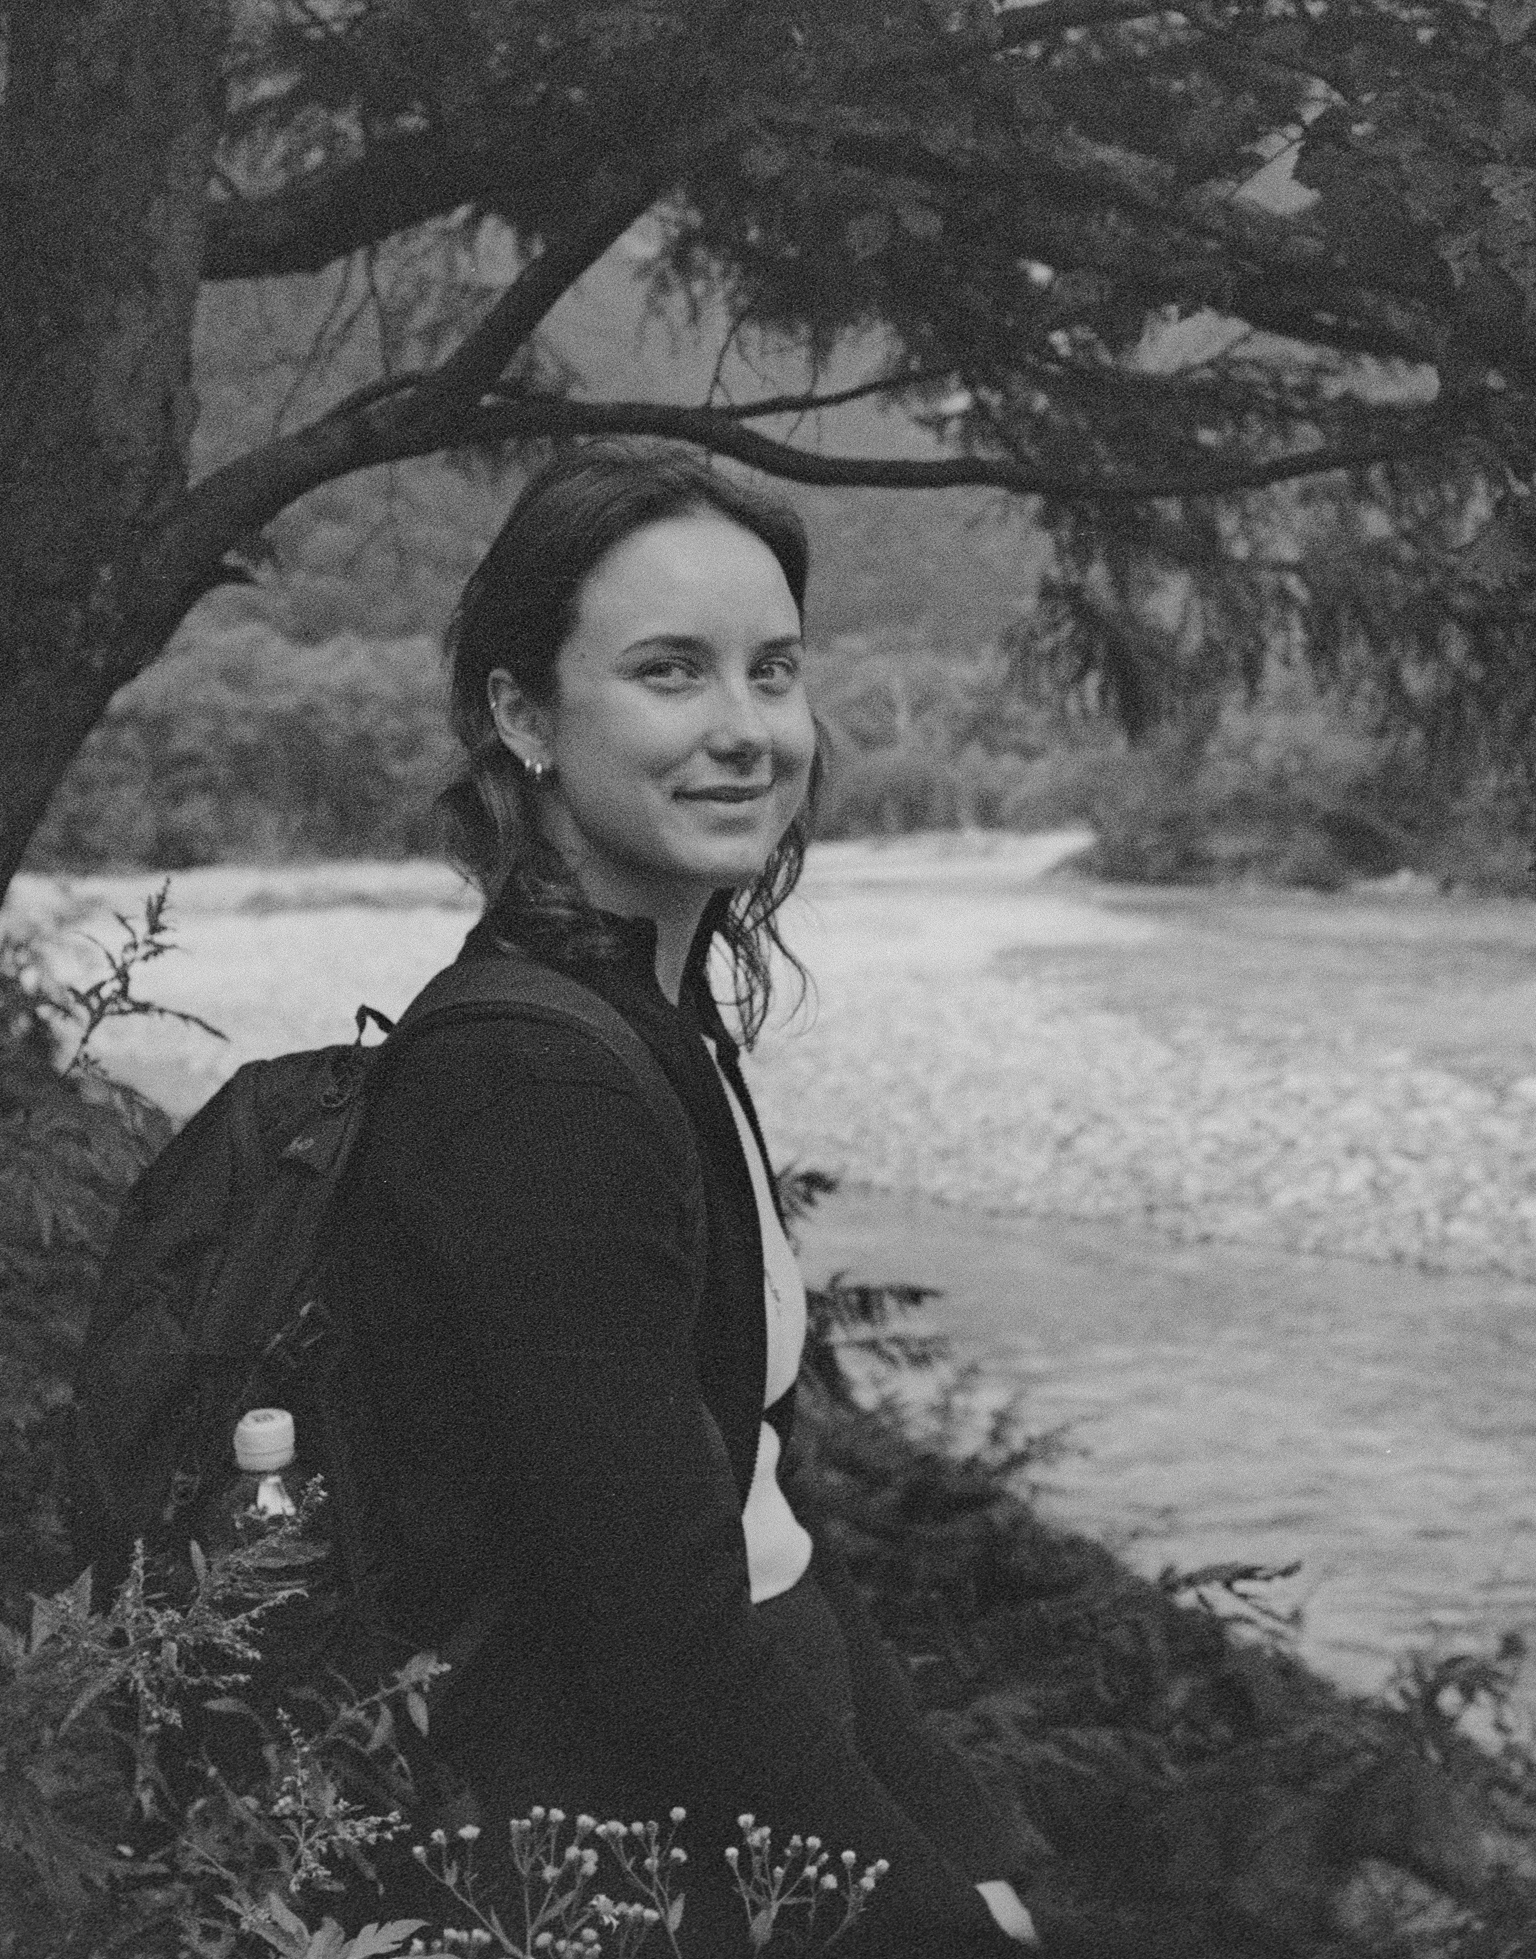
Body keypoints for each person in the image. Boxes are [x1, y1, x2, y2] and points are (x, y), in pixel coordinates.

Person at [318, 444, 1042, 1957]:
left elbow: (755, 1507)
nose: (745, 731)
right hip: (628, 1848)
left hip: (744, 1794)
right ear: (522, 712)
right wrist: (933, 1922)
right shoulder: (534, 1089)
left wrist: (958, 1842)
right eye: (669, 672)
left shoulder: (650, 1019)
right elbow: (657, 1633)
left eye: (772, 673)